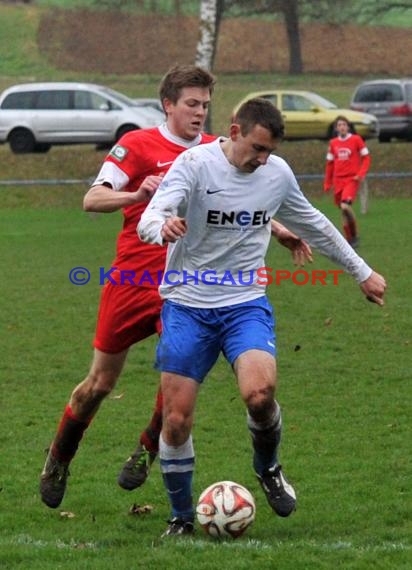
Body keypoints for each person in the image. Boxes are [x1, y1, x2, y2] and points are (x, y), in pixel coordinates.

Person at [39, 66, 312, 509]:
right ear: (168, 104)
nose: (200, 113)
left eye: (205, 105)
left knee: (177, 385)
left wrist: (278, 229)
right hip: (132, 279)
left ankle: (149, 447)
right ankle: (59, 457)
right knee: (100, 382)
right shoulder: (137, 144)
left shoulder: (217, 150)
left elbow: (240, 202)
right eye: (191, 104)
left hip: (187, 287)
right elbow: (92, 198)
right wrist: (135, 196)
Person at [137, 98, 386, 537]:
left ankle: (268, 468)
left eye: (269, 151)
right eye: (256, 148)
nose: (262, 159)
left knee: (260, 393)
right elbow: (152, 213)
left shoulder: (276, 174)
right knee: (176, 420)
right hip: (187, 304)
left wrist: (360, 271)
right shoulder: (195, 165)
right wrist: (161, 226)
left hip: (245, 302)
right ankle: (180, 517)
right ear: (234, 133)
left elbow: (313, 223)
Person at [323, 115, 371, 248]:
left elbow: (366, 158)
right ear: (336, 128)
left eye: (344, 125)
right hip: (338, 180)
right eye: (339, 125)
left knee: (345, 206)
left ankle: (354, 235)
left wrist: (360, 174)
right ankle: (350, 240)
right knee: (343, 211)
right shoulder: (333, 143)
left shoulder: (356, 139)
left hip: (351, 179)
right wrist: (327, 182)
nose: (342, 127)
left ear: (348, 127)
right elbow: (330, 164)